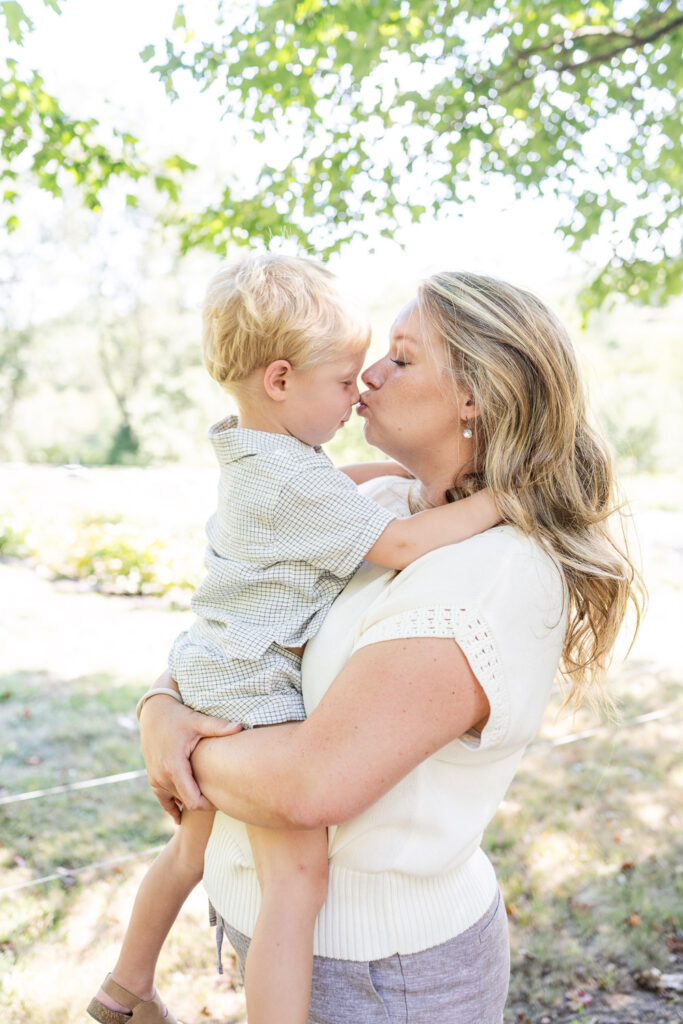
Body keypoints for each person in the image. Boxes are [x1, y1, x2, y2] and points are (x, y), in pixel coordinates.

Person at [139, 270, 641, 1024]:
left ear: (474, 396)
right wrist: (160, 702)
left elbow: (309, 787)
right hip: (280, 933)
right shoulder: (375, 504)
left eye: (401, 359)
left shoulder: (491, 572)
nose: (370, 373)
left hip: (381, 978)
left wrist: (170, 743)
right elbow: (240, 630)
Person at [87, 255, 499, 1024]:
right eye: (344, 382)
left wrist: (390, 477)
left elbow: (333, 481)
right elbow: (405, 545)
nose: (360, 390)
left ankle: (126, 985)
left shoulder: (263, 455)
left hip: (214, 667)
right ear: (280, 380)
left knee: (188, 851)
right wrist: (498, 502)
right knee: (298, 884)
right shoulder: (292, 482)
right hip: (251, 688)